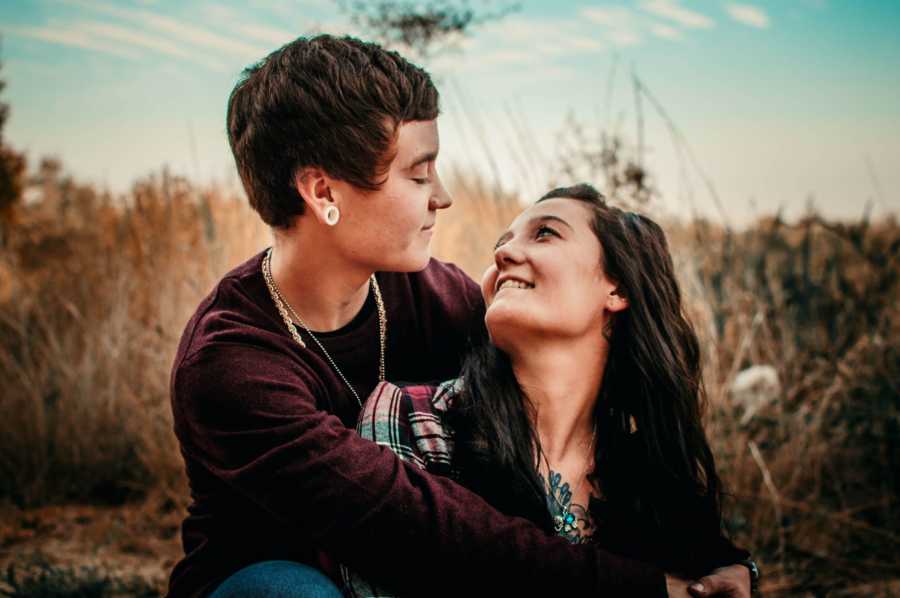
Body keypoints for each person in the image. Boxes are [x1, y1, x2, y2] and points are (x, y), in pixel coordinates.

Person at [168, 34, 751, 597]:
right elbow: (413, 527)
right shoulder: (228, 364)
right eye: (419, 174)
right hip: (272, 574)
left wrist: (713, 561)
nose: (440, 196)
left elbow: (590, 402)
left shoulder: (439, 299)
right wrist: (641, 589)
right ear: (324, 195)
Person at [348, 184, 757, 598]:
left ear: (617, 289)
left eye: (545, 233)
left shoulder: (649, 474)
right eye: (501, 243)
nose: (502, 255)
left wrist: (737, 572)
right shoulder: (415, 417)